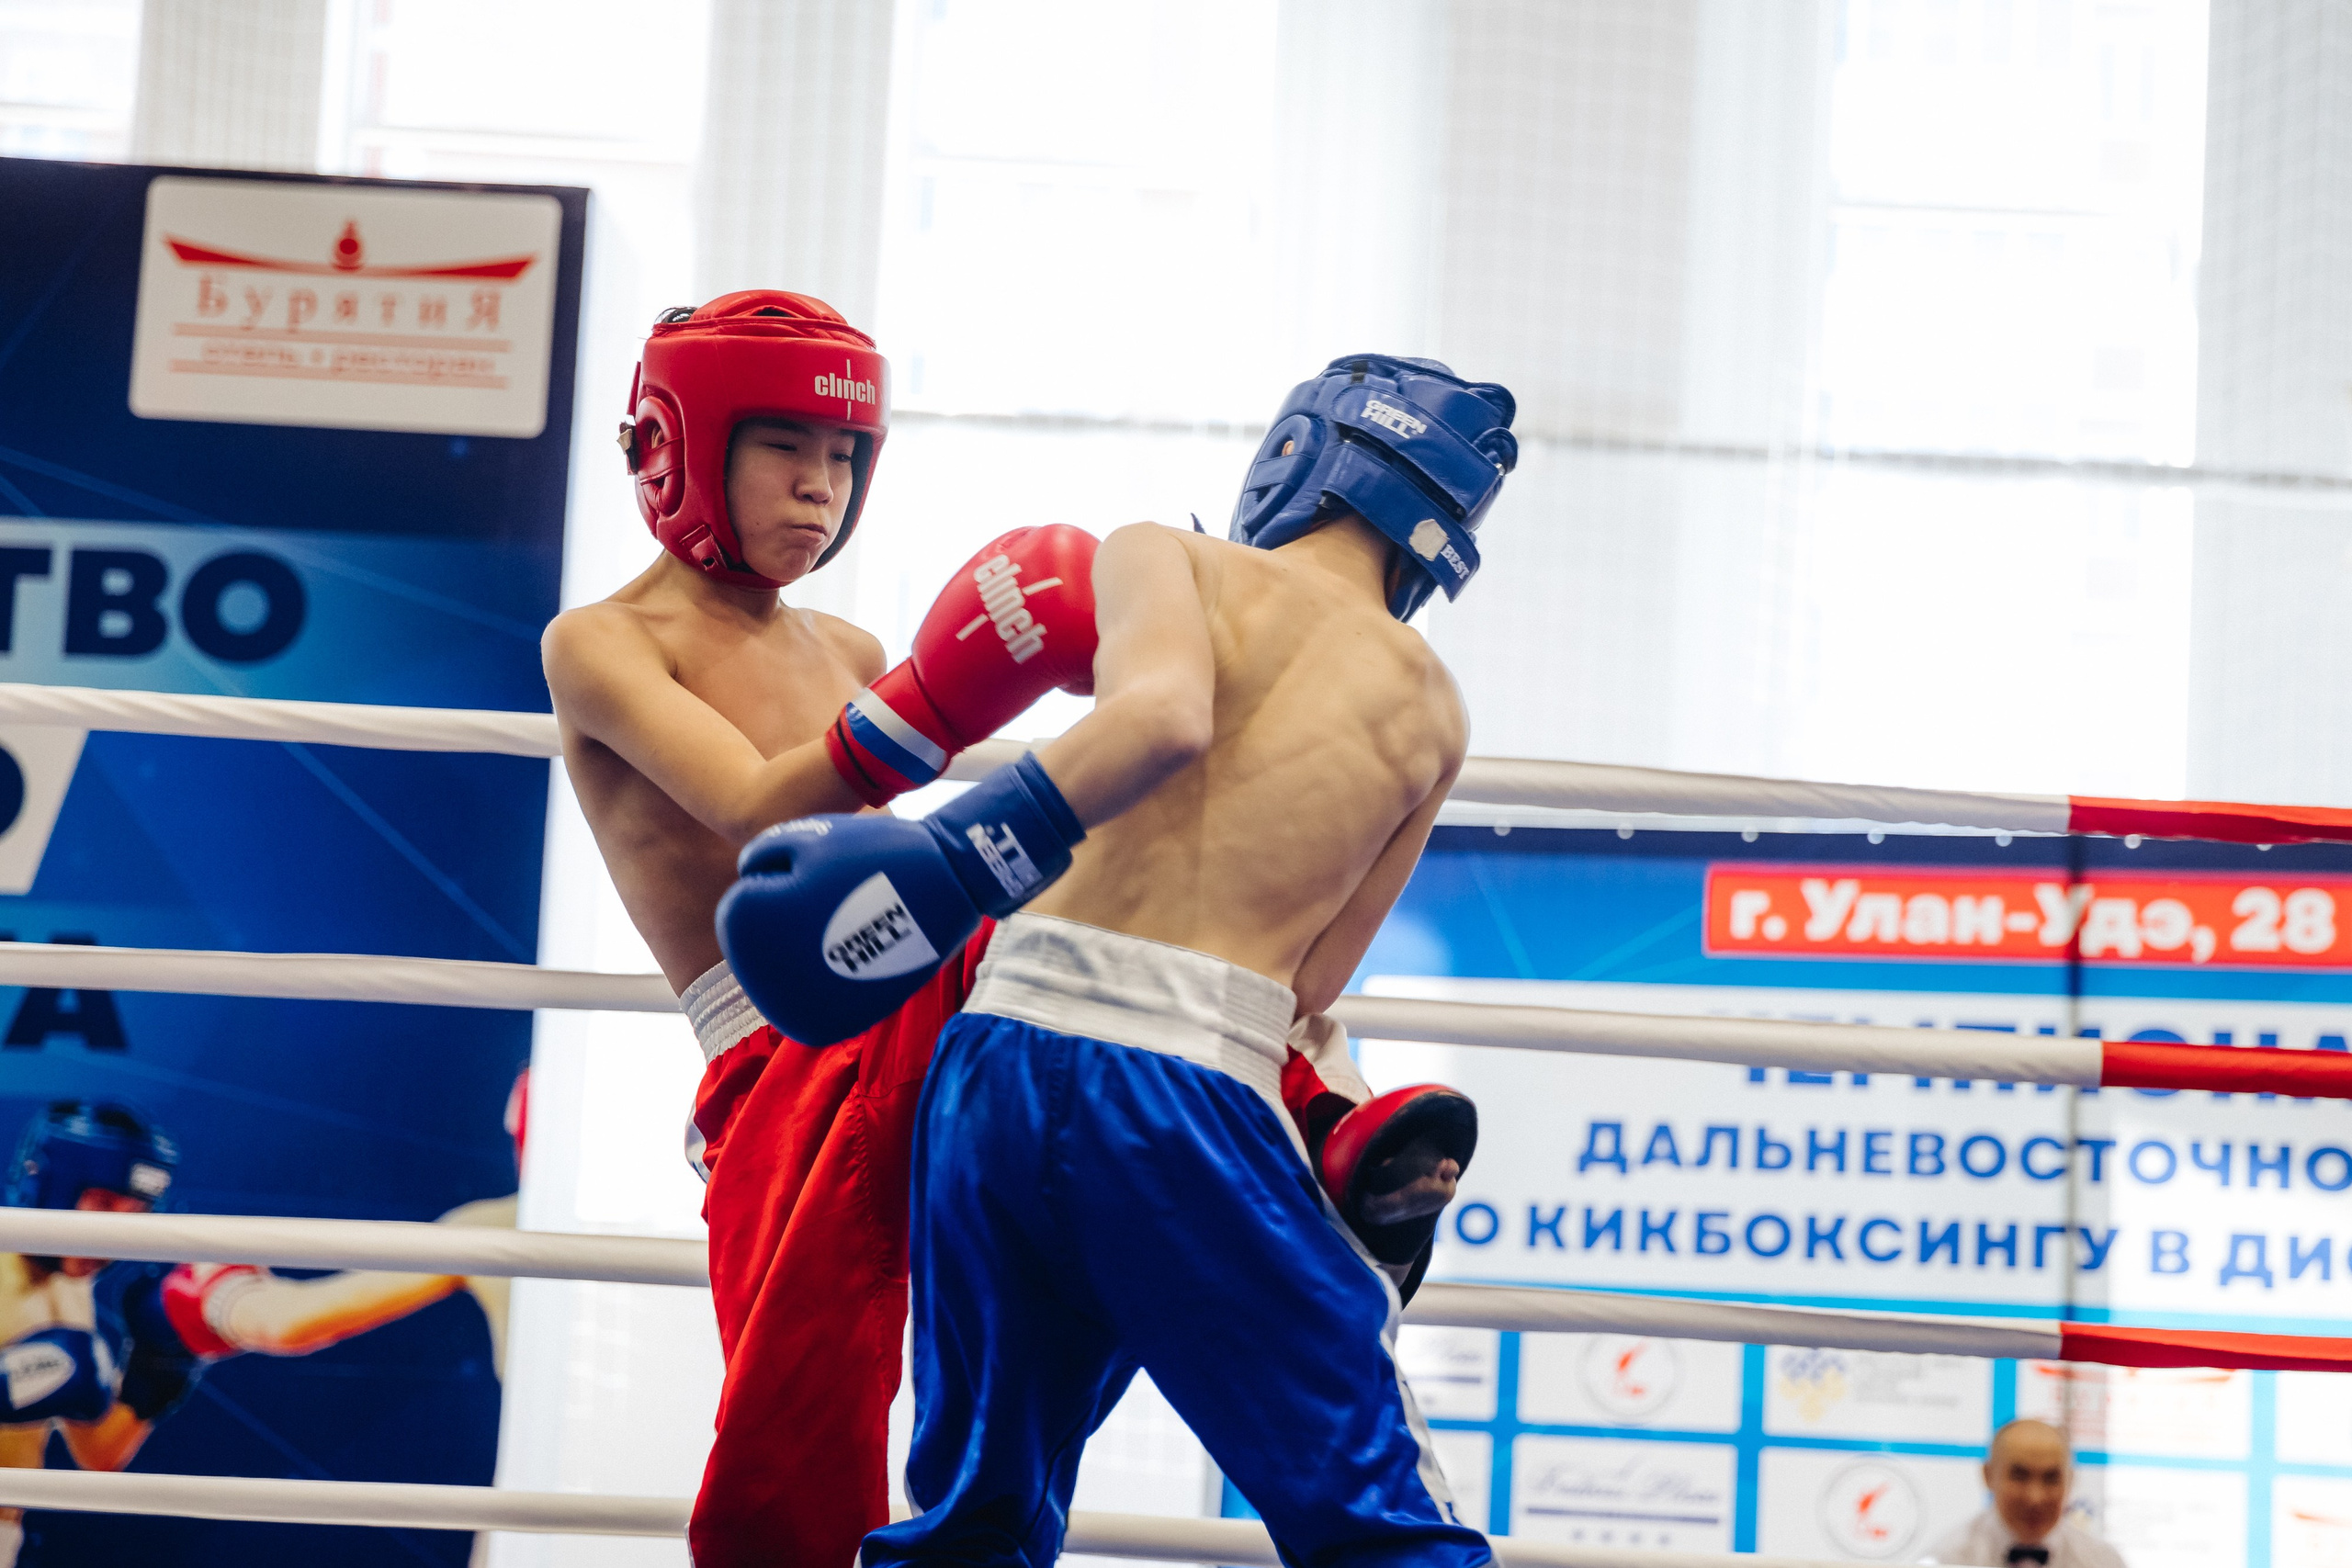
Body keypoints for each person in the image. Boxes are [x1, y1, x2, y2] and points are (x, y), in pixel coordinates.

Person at [722, 353, 1517, 1566]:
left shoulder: (1168, 554)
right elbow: (1309, 984)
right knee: (1374, 1515)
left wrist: (948, 865)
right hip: (1187, 1084)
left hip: (996, 1055)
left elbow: (1157, 715)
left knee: (971, 1517)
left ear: (1295, 456)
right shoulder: (1431, 704)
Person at [540, 291, 1097, 1568]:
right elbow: (752, 807)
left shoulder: (848, 642)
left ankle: (1319, 1113)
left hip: (941, 997)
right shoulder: (603, 643)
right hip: (785, 1040)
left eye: (846, 455)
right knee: (800, 1414)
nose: (822, 485)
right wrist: (948, 689)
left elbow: (907, 841)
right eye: (786, 445)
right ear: (681, 447)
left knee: (1028, 1311)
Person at [1922, 1418, 2123, 1567]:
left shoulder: (2103, 1561)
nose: (2035, 1498)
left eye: (2051, 1478)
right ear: (1988, 1475)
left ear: (2070, 1480)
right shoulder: (1947, 1559)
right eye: (2020, 1476)